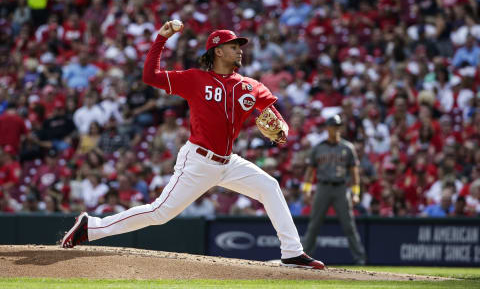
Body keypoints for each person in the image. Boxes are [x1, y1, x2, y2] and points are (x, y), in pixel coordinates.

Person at [61, 21, 325, 270]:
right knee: (160, 212)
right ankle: (92, 227)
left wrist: (282, 131)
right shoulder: (194, 79)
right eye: (234, 46)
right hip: (198, 160)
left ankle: (292, 252)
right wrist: (161, 38)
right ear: (218, 51)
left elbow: (274, 116)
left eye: (239, 47)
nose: (239, 51)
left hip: (228, 161)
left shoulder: (250, 86)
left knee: (269, 186)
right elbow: (150, 76)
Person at [301, 115, 367, 265]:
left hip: (341, 189)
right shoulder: (318, 148)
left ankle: (360, 258)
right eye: (333, 126)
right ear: (327, 128)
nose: (335, 129)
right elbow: (310, 172)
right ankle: (304, 257)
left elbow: (354, 173)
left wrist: (356, 193)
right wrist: (306, 191)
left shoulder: (347, 147)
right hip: (323, 187)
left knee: (349, 225)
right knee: (314, 225)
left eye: (338, 126)